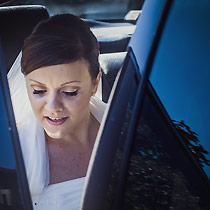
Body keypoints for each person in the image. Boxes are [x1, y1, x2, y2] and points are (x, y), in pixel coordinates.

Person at [7, 14, 106, 210]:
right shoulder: (10, 155)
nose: (53, 107)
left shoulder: (127, 128)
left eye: (69, 92)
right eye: (38, 91)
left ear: (95, 84)